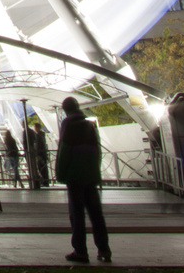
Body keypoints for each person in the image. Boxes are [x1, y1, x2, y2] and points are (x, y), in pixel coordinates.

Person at [55, 96, 110, 264]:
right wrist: (95, 172)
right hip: (90, 176)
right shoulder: (89, 125)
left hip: (75, 176)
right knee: (96, 214)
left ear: (65, 110)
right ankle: (104, 249)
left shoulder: (68, 125)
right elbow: (97, 151)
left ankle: (80, 251)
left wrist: (60, 173)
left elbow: (64, 150)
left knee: (77, 214)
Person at [32, 117, 51, 189]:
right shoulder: (42, 135)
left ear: (37, 128)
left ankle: (45, 181)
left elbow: (38, 145)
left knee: (41, 168)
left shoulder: (38, 135)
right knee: (44, 168)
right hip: (43, 153)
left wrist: (37, 153)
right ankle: (46, 181)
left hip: (40, 154)